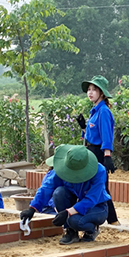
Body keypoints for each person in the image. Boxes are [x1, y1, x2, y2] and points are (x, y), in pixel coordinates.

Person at [20, 144, 110, 244]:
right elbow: (47, 187)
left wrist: (68, 212)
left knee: (75, 221)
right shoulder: (62, 169)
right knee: (59, 193)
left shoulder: (99, 171)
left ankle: (91, 230)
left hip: (97, 208)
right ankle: (71, 232)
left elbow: (91, 199)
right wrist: (32, 208)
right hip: (77, 203)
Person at [76, 75, 120, 225]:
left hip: (99, 153)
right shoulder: (94, 111)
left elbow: (106, 134)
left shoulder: (104, 111)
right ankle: (105, 217)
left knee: (101, 185)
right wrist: (83, 126)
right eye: (89, 89)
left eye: (94, 90)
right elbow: (90, 135)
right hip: (90, 152)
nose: (90, 92)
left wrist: (107, 155)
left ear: (101, 93)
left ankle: (113, 220)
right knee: (93, 184)